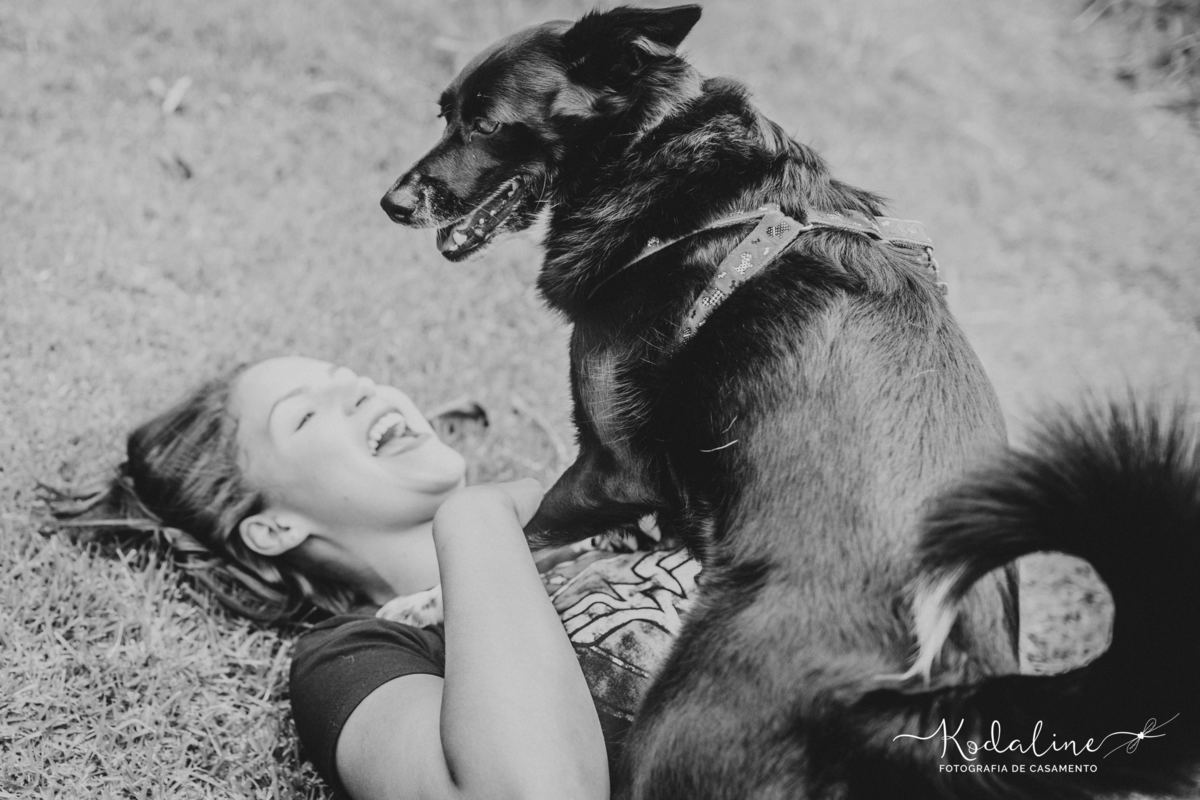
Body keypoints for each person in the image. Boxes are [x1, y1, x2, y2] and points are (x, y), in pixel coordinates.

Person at [49, 355, 700, 800]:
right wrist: (475, 520)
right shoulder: (358, 659)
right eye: (304, 415)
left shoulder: (619, 502)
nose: (362, 390)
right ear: (272, 528)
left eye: (349, 378)